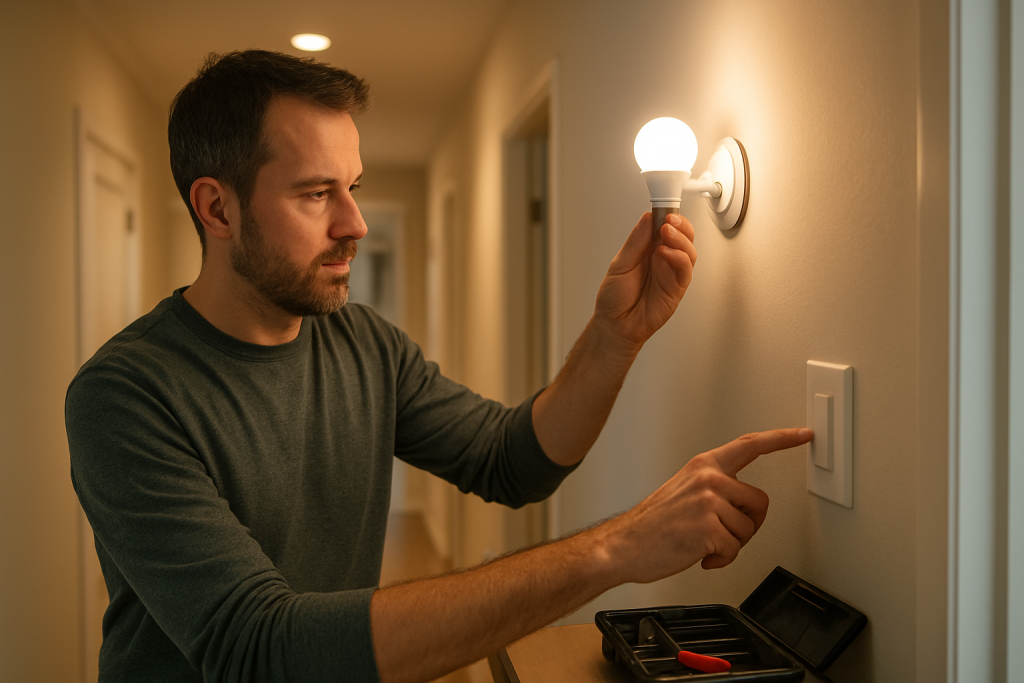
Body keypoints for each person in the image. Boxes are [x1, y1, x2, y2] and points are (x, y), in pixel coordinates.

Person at [65, 50, 811, 683]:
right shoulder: (125, 395)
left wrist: (615, 337)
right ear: (217, 210)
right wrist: (616, 546)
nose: (354, 223)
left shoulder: (364, 345)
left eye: (350, 188)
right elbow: (259, 648)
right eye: (316, 193)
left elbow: (512, 461)